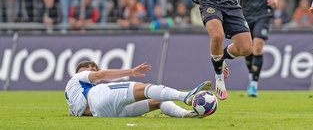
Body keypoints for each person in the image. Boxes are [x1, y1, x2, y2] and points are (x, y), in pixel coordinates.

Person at [65, 60, 211, 118]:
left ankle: (186, 114)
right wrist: (131, 72)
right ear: (81, 71)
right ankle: (185, 96)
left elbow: (81, 112)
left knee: (156, 101)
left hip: (103, 114)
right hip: (98, 97)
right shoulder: (78, 77)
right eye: (92, 69)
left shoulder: (71, 99)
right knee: (144, 88)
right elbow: (101, 75)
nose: (95, 70)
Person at [236, 0, 281, 97]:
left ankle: (254, 84)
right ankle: (251, 78)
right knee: (248, 50)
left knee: (258, 46)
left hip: (264, 13)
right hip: (246, 13)